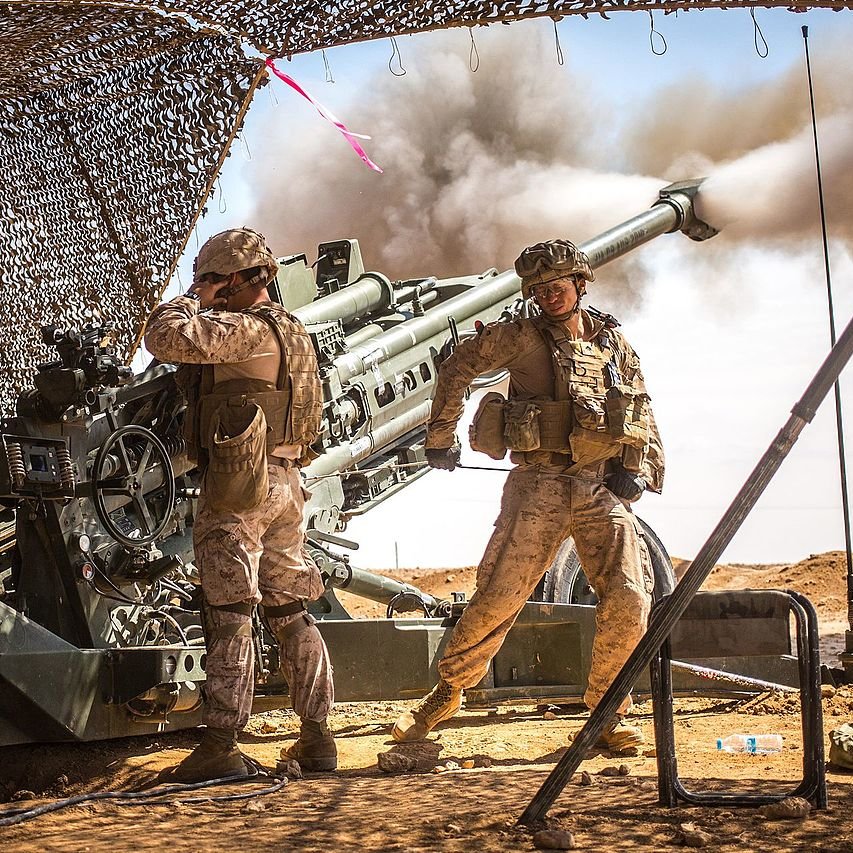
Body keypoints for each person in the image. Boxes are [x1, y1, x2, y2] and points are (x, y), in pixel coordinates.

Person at [392, 239, 664, 753]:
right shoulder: (519, 337)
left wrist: (639, 467)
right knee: (498, 595)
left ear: (580, 285)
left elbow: (641, 406)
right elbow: (456, 368)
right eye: (538, 290)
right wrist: (440, 436)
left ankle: (607, 713)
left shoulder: (612, 343)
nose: (548, 297)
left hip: (598, 486)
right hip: (537, 486)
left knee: (630, 596)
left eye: (557, 287)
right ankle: (446, 693)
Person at [144, 227, 336, 781]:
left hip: (240, 490)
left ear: (235, 280)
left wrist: (182, 301)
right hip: (285, 485)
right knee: (289, 610)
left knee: (229, 612)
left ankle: (222, 744)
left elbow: (164, 338)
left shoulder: (243, 329)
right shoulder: (293, 330)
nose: (202, 289)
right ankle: (319, 739)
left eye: (208, 280)